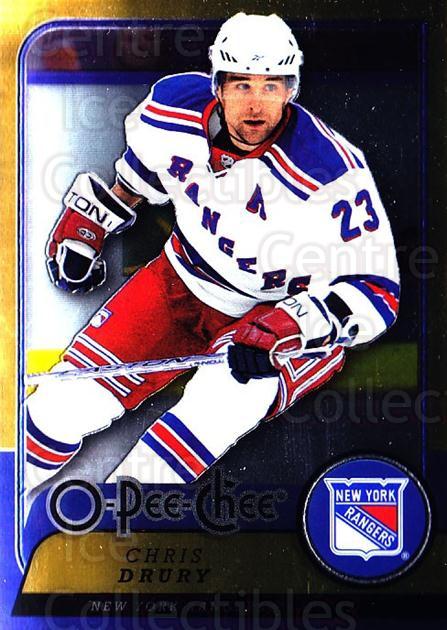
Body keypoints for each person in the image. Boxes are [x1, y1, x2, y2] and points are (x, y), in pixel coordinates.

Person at [25, 13, 399, 496]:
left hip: (277, 315)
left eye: (271, 86)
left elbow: (378, 291)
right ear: (217, 84)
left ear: (291, 89)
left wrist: (292, 325)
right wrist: (90, 225)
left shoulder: (331, 172)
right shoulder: (173, 106)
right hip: (180, 281)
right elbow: (141, 179)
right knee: (57, 407)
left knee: (215, 406)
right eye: (242, 84)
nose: (256, 104)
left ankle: (123, 522)